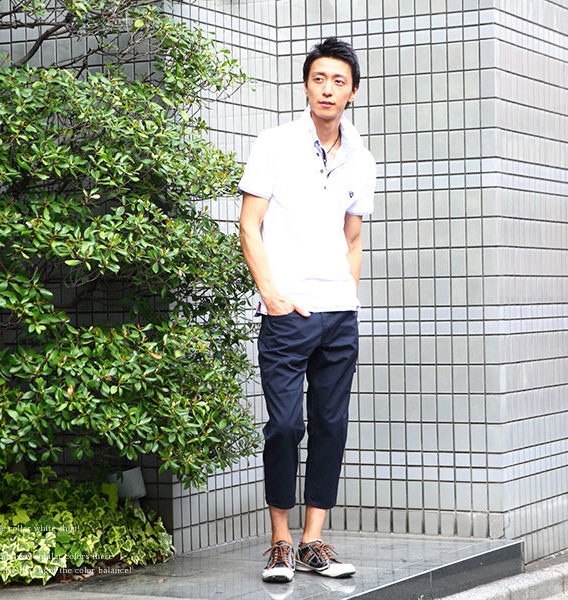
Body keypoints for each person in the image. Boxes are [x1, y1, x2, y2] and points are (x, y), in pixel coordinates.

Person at [238, 37, 376, 584]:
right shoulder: (274, 144)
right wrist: (271, 295)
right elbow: (249, 225)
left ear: (352, 92)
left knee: (331, 425)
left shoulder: (362, 159)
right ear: (305, 85)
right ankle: (280, 542)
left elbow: (353, 236)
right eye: (319, 78)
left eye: (339, 81)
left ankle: (313, 541)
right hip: (287, 313)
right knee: (285, 426)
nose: (328, 89)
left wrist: (348, 293)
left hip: (339, 314)